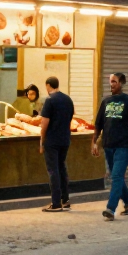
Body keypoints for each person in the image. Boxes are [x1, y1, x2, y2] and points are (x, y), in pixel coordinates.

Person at [92, 73, 128, 221]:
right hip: (108, 145)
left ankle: (110, 208)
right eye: (110, 82)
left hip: (124, 146)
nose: (111, 84)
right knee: (116, 176)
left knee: (117, 176)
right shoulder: (106, 101)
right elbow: (98, 124)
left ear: (121, 83)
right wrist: (94, 142)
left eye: (114, 81)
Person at [38, 76, 74, 212]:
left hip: (52, 140)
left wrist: (42, 140)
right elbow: (70, 117)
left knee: (53, 170)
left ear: (48, 86)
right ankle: (65, 200)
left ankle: (55, 203)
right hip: (65, 139)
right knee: (61, 168)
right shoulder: (68, 99)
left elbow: (44, 123)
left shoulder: (49, 101)